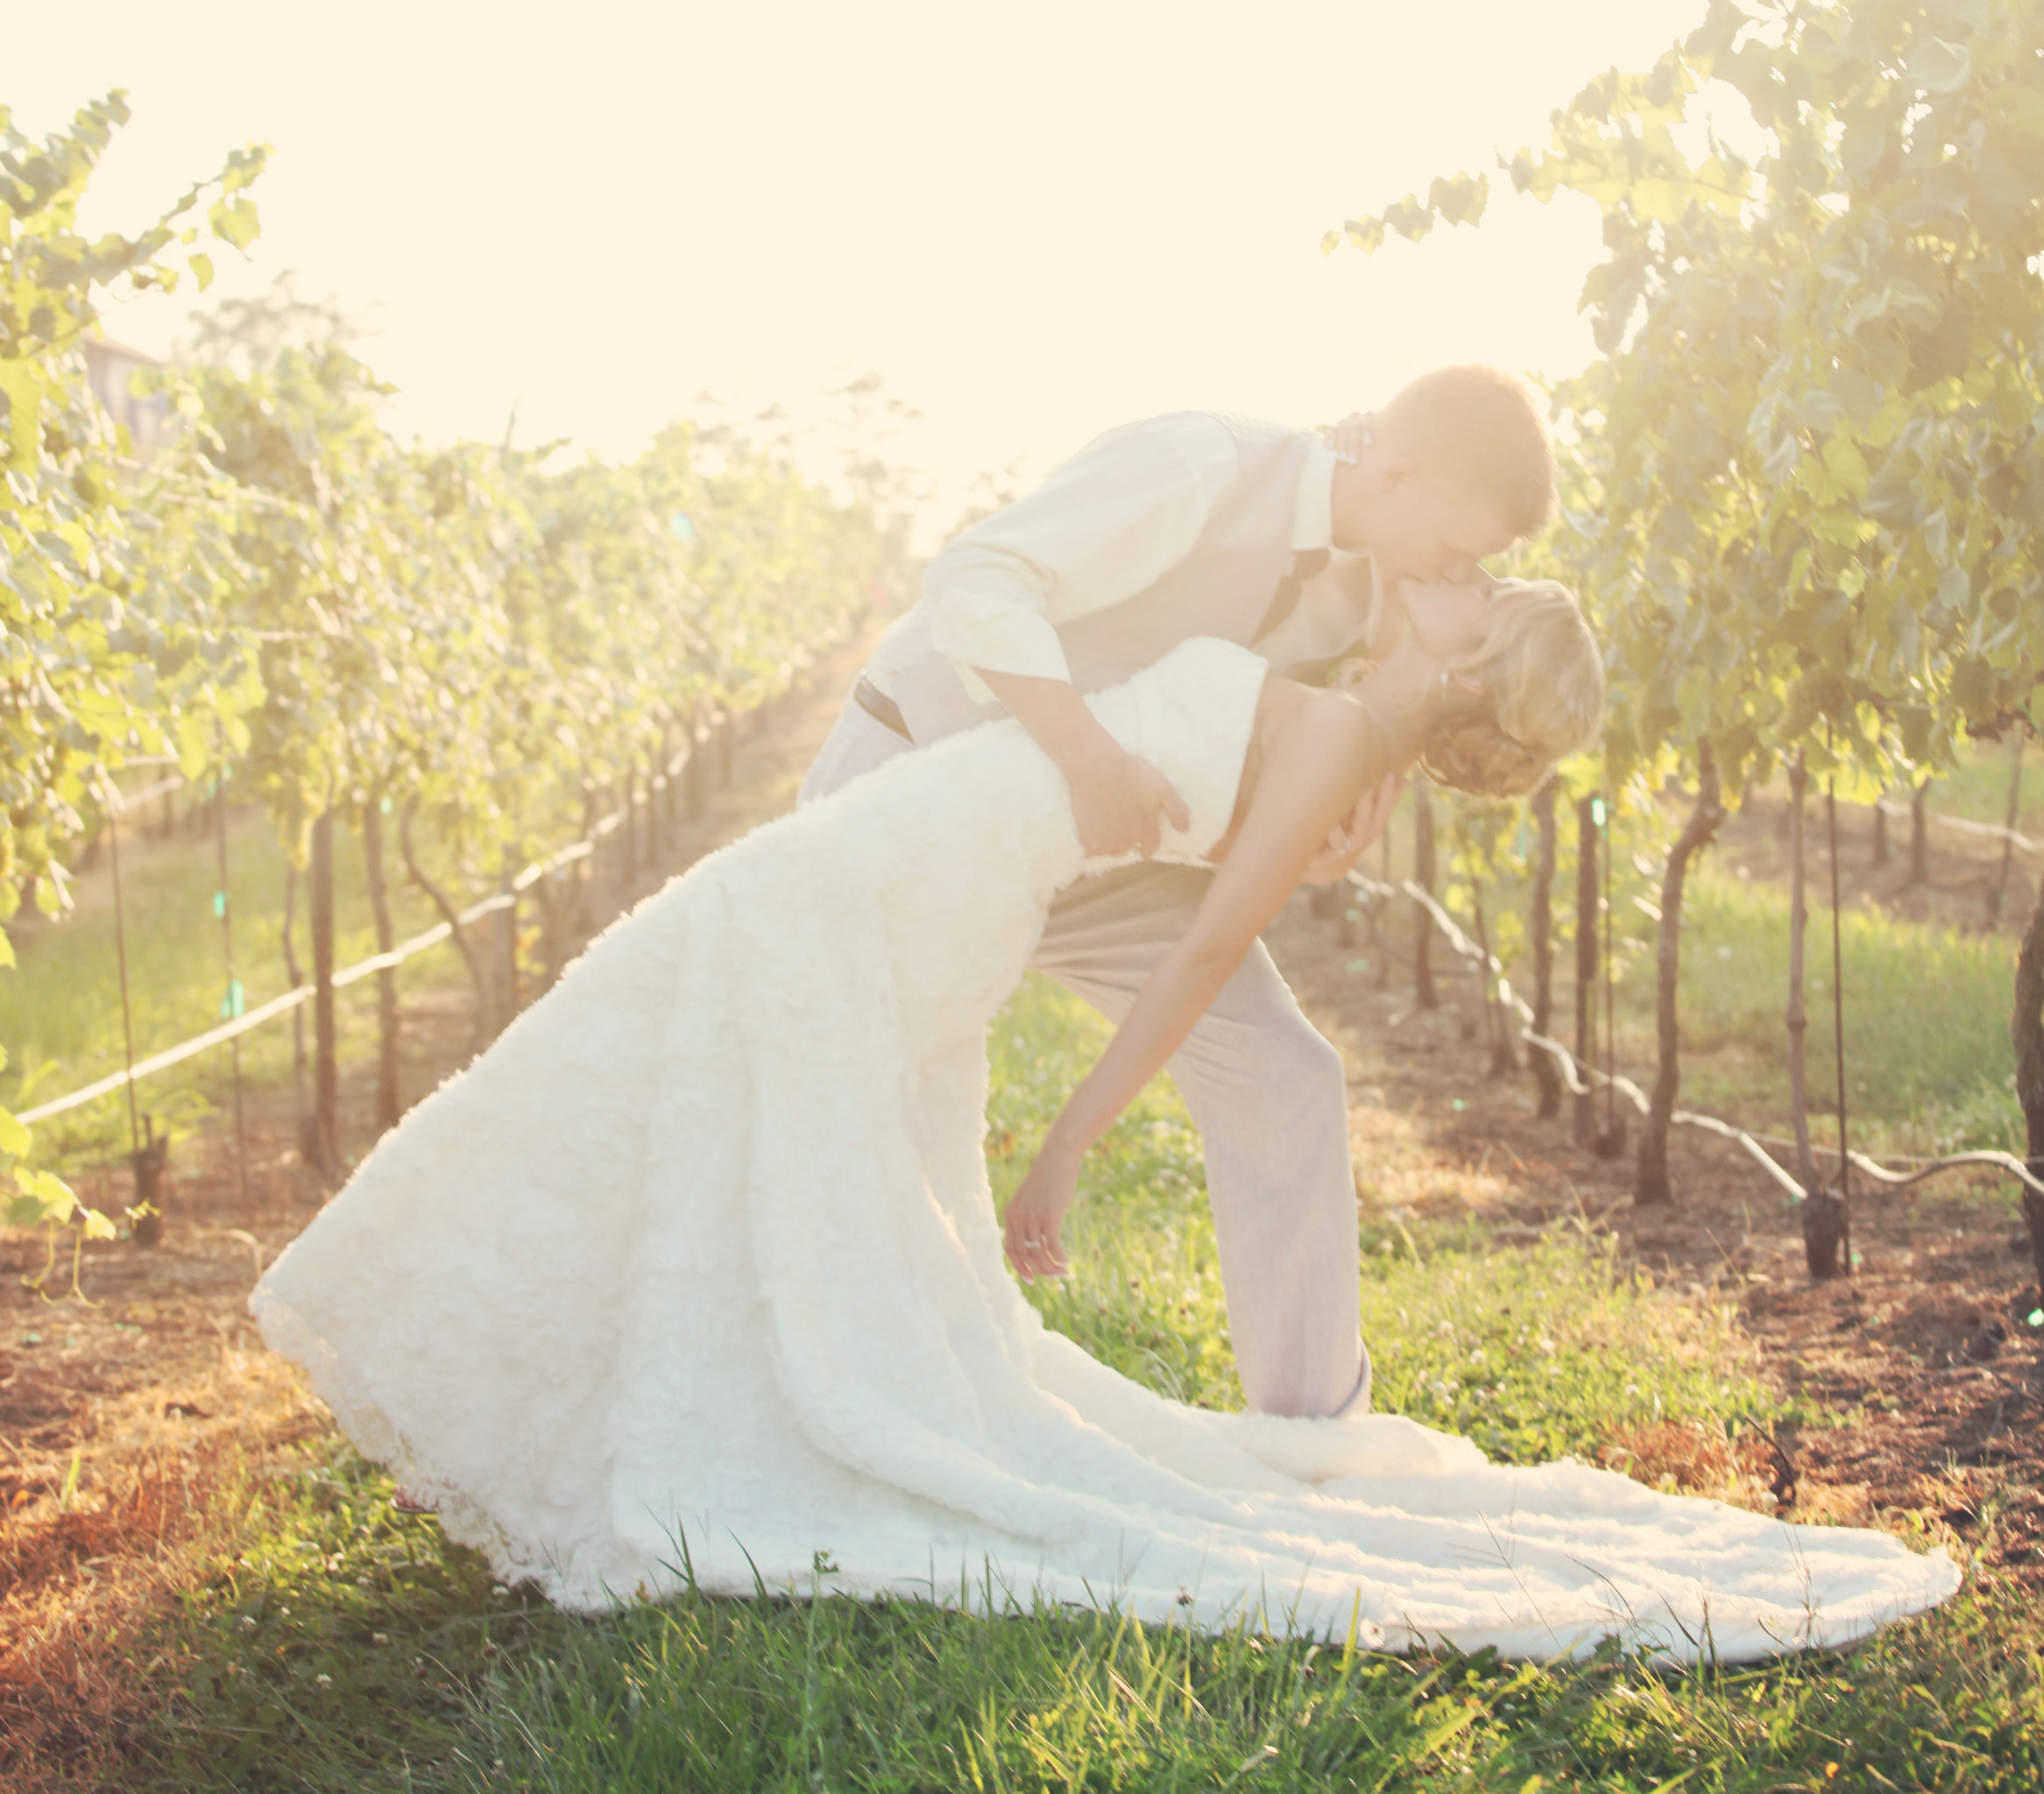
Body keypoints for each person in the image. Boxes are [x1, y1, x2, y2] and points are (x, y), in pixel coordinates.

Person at [251, 583, 1956, 1658]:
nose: (1444, 594)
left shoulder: (1319, 748)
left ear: (1456, 656)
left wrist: (1063, 1145)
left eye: (1471, 602)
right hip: (923, 854)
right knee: (685, 1062)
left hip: (921, 873)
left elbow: (1199, 962)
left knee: (698, 1060)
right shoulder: (1325, 700)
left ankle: (599, 1392)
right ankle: (578, 1374)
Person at [798, 371, 1556, 1418]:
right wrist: (1087, 759)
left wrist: (1292, 834)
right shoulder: (1196, 464)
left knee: (1285, 1074)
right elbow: (974, 576)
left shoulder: (1369, 588)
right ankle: (845, 1375)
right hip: (919, 778)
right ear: (1394, 472)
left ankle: (1312, 1433)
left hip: (1100, 850)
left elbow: (1209, 739)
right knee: (845, 1087)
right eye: (1456, 546)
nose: (1461, 570)